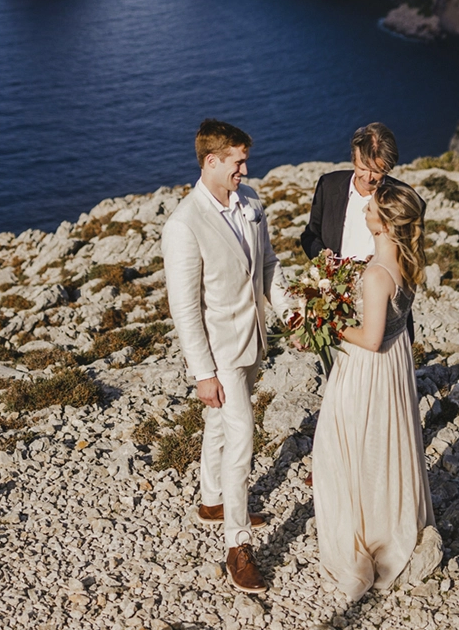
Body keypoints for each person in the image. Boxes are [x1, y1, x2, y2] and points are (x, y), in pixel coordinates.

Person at [163, 119, 292, 595]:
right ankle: (237, 545)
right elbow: (184, 308)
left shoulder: (252, 200)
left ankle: (211, 500)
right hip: (219, 353)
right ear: (210, 162)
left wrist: (289, 312)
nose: (245, 168)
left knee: (219, 425)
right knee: (241, 437)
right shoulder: (183, 225)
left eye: (245, 160)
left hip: (254, 339)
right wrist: (203, 373)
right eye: (237, 161)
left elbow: (270, 265)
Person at [312, 178, 437, 601]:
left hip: (367, 368)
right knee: (383, 444)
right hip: (395, 366)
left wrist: (326, 324)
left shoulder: (376, 274)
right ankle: (387, 517)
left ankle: (363, 535)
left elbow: (368, 337)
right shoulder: (405, 262)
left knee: (345, 444)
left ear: (383, 224)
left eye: (370, 210)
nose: (363, 211)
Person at [301, 122, 414, 346]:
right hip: (335, 304)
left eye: (378, 171)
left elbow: (412, 257)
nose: (369, 177)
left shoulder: (405, 199)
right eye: (363, 167)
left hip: (382, 312)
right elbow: (309, 236)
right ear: (354, 156)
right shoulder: (329, 185)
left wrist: (384, 263)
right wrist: (321, 255)